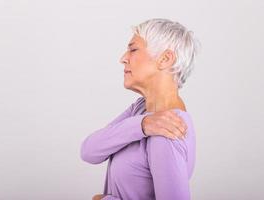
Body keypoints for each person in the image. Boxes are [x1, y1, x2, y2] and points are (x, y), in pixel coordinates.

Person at [80, 18, 200, 200]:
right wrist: (142, 125)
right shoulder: (141, 110)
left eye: (133, 49)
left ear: (165, 59)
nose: (123, 58)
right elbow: (89, 151)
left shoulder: (167, 130)